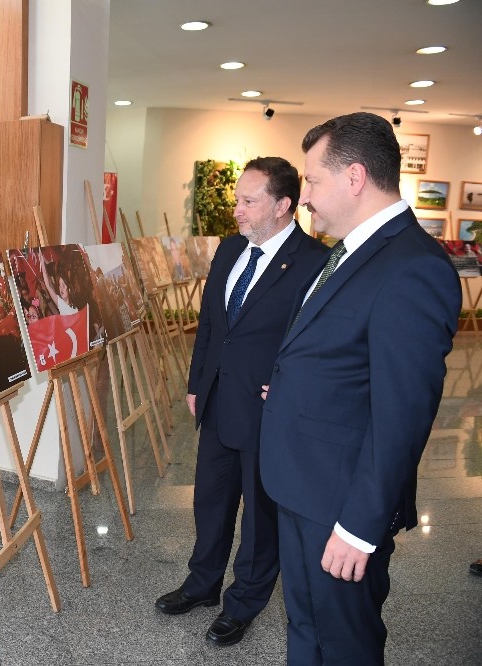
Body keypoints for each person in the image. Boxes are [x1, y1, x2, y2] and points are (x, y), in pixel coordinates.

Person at [259, 112, 461, 664]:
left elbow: (403, 415)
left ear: (354, 177)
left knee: (344, 642)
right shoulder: (349, 251)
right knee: (305, 624)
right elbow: (343, 360)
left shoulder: (412, 267)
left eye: (313, 181)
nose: (304, 198)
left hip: (341, 504)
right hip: (304, 482)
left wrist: (359, 527)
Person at [155, 157, 329, 646]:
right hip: (216, 400)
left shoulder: (313, 262)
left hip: (267, 411)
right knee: (210, 501)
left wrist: (294, 388)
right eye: (236, 199)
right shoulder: (231, 249)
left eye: (248, 202)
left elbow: (314, 342)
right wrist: (195, 383)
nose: (237, 211)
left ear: (283, 205)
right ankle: (202, 584)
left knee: (260, 516)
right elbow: (211, 325)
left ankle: (244, 602)